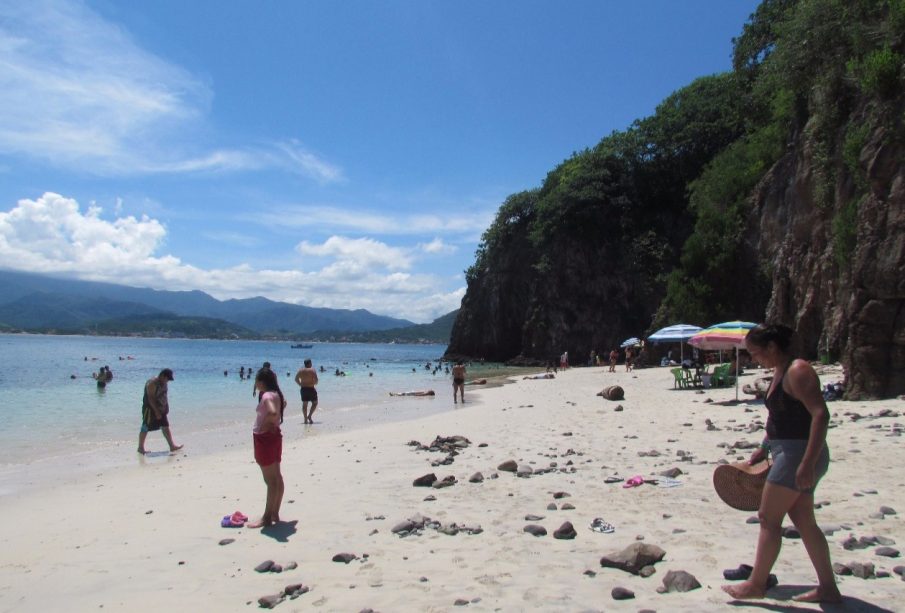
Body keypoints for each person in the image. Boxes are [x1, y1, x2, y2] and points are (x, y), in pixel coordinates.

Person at [722, 324, 841, 603]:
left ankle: (756, 584)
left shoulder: (798, 371)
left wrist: (807, 464)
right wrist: (764, 448)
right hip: (788, 452)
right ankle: (828, 588)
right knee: (803, 521)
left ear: (772, 348)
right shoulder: (780, 370)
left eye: (755, 353)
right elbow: (780, 417)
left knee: (768, 518)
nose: (754, 359)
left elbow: (821, 416)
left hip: (798, 455)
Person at [247, 368, 287, 529]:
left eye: (256, 381)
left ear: (261, 382)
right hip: (274, 437)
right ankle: (274, 512)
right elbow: (282, 404)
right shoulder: (276, 394)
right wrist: (273, 422)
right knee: (276, 477)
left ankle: (266, 518)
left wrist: (266, 424)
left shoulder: (267, 396)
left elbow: (272, 411)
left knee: (270, 480)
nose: (255, 384)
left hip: (265, 439)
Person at [137, 368, 183, 454]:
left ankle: (172, 446)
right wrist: (156, 411)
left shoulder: (164, 383)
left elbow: (164, 395)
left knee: (165, 426)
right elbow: (151, 399)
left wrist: (166, 406)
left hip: (162, 408)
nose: (167, 381)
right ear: (162, 376)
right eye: (167, 379)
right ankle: (140, 448)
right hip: (150, 409)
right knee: (145, 427)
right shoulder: (152, 383)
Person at [294, 358, 319, 424]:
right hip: (311, 389)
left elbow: (296, 379)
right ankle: (309, 416)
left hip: (303, 389)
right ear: (310, 363)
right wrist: (313, 383)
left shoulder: (300, 370)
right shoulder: (312, 370)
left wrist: (300, 384)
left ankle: (305, 420)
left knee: (305, 404)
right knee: (315, 403)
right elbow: (316, 380)